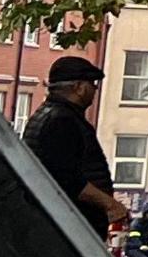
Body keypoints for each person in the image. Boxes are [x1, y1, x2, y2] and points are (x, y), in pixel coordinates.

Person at [22, 54, 124, 231]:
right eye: (92, 84)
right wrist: (110, 204)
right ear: (79, 88)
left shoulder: (47, 114)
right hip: (70, 223)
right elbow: (68, 179)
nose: (94, 90)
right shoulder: (62, 121)